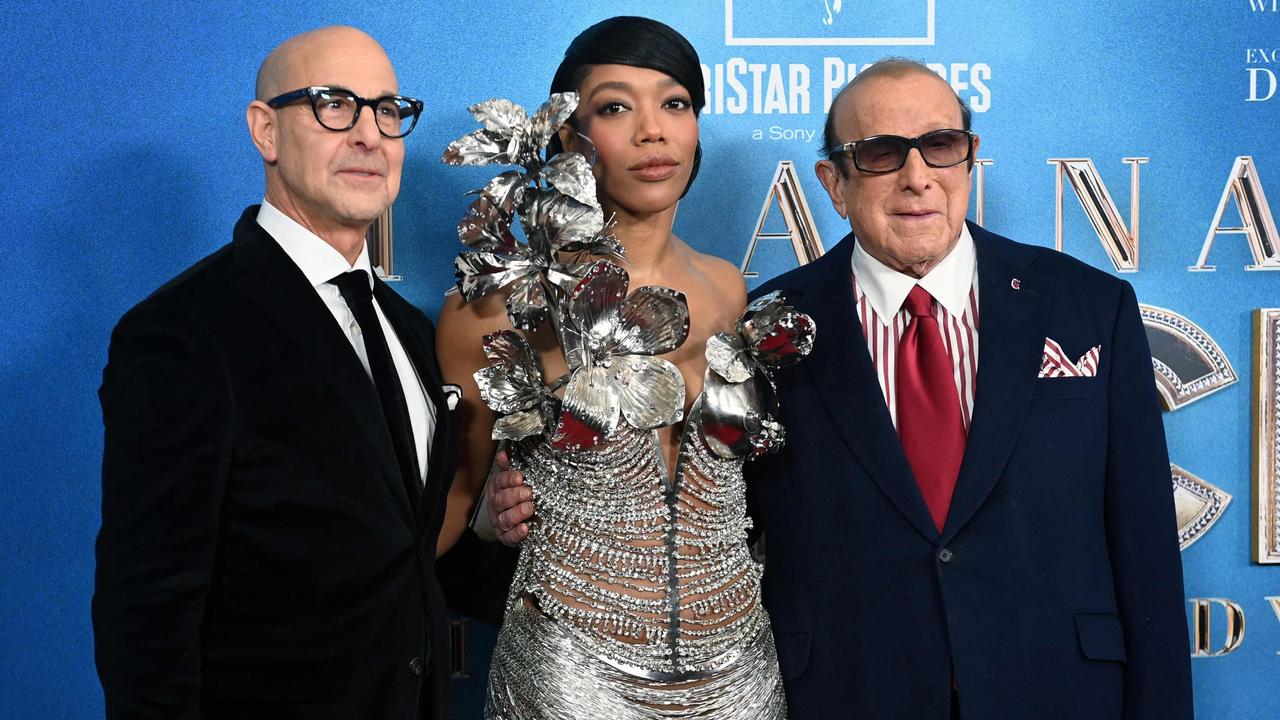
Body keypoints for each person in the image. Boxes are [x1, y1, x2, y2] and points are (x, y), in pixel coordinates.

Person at [492, 58, 1194, 719]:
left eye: (941, 145)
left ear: (970, 159)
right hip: (845, 693)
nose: (917, 177)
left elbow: (1146, 551)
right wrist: (532, 505)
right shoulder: (764, 330)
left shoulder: (1086, 307)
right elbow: (711, 527)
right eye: (883, 154)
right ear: (834, 183)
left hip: (1060, 694)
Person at [93, 26, 455, 719]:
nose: (368, 135)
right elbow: (147, 613)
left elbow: (401, 551)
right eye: (332, 105)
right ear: (266, 132)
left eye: (386, 111)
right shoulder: (185, 332)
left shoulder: (411, 331)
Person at [436, 16, 791, 719]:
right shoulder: (498, 309)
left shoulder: (728, 290)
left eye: (675, 103)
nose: (652, 131)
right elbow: (453, 504)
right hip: (572, 678)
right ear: (570, 137)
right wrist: (493, 521)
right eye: (615, 107)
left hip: (741, 673)